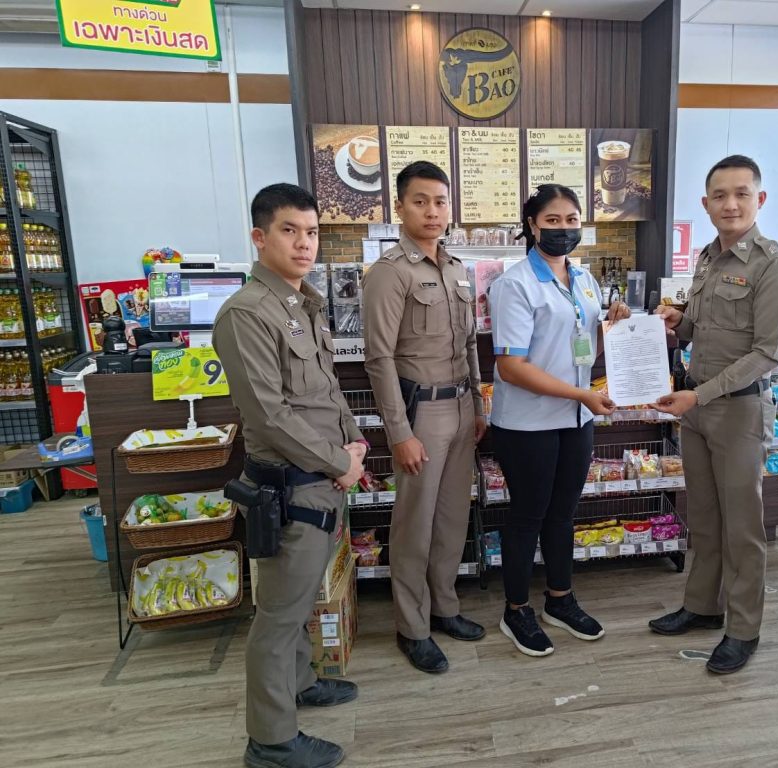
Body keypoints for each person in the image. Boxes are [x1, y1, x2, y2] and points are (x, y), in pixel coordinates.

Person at [213, 183, 365, 768]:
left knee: (300, 598)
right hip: (290, 484)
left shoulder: (304, 303)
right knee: (277, 616)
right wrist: (340, 462)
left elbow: (326, 389)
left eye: (312, 232)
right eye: (289, 231)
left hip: (321, 479)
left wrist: (353, 439)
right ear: (259, 237)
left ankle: (301, 683)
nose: (305, 244)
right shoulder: (246, 313)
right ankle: (271, 741)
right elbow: (269, 416)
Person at [648, 155, 778, 674]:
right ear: (706, 203)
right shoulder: (709, 258)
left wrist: (701, 394)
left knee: (743, 527)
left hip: (736, 410)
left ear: (760, 199)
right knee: (705, 518)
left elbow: (767, 353)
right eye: (719, 195)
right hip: (697, 408)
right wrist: (676, 320)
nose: (730, 204)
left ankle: (743, 629)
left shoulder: (774, 265)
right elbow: (698, 329)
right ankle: (702, 606)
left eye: (741, 193)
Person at [488, 184, 630, 657]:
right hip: (528, 424)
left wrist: (615, 327)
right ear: (532, 225)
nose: (564, 229)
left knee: (564, 514)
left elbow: (583, 352)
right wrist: (580, 394)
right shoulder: (513, 285)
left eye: (572, 220)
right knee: (528, 515)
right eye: (553, 220)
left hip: (576, 419)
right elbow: (512, 366)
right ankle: (515, 609)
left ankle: (559, 599)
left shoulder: (585, 280)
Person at [362, 161, 486, 675]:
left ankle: (445, 607)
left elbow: (470, 342)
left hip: (461, 408)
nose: (432, 211)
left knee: (452, 518)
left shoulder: (456, 268)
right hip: (422, 414)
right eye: (420, 201)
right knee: (415, 525)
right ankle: (412, 627)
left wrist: (478, 404)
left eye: (440, 201)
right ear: (400, 207)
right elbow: (379, 358)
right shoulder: (389, 272)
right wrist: (400, 433)